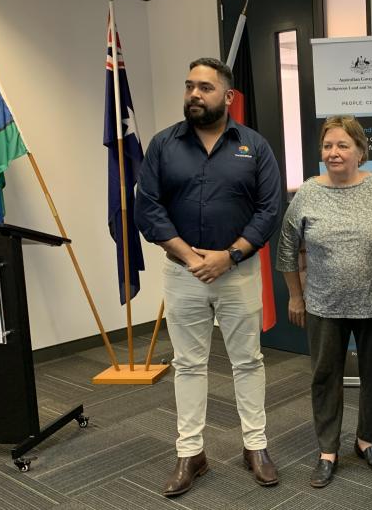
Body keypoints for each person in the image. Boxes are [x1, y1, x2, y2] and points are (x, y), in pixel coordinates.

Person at [135, 57, 282, 497]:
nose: (194, 95)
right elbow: (149, 207)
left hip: (237, 272)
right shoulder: (164, 145)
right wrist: (187, 255)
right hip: (183, 273)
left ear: (228, 96)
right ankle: (190, 453)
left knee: (248, 361)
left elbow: (269, 209)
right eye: (189, 87)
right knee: (188, 364)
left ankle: (254, 445)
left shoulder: (253, 146)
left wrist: (229, 255)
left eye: (205, 88)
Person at [276, 115, 372, 488]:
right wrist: (295, 296)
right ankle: (327, 450)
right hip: (323, 304)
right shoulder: (307, 193)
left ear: (361, 151)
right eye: (328, 146)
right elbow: (286, 249)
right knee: (325, 377)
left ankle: (366, 441)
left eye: (343, 145)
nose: (334, 153)